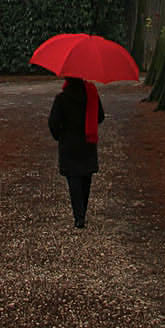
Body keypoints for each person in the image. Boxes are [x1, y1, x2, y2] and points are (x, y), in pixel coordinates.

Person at [48, 76, 105, 228]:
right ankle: (82, 212)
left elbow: (53, 122)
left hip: (69, 143)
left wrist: (59, 136)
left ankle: (78, 215)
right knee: (86, 178)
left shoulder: (61, 98)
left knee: (73, 179)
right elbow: (100, 116)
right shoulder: (91, 95)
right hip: (87, 142)